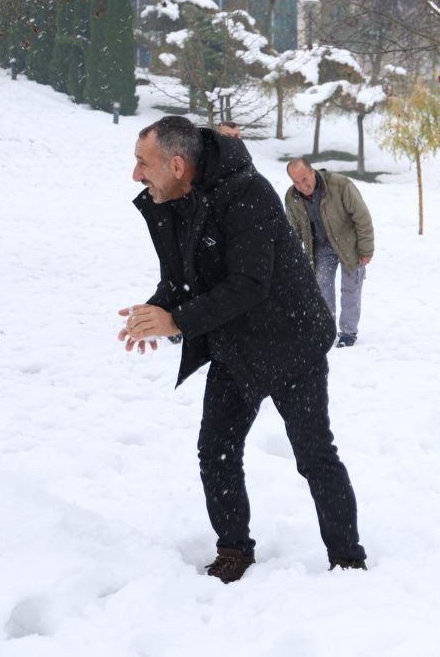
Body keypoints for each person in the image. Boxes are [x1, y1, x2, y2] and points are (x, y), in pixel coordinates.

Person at [119, 115, 367, 583]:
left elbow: (249, 283)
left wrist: (178, 321)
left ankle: (348, 559)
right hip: (235, 345)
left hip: (292, 343)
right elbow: (184, 274)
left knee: (313, 454)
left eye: (141, 163)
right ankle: (233, 548)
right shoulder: (175, 197)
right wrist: (156, 310)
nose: (136, 175)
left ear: (176, 164)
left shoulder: (247, 194)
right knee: (215, 449)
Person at [285, 159, 375, 348]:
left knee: (350, 289)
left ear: (312, 172)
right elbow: (293, 230)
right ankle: (327, 330)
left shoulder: (340, 185)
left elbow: (362, 217)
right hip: (322, 248)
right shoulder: (292, 197)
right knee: (322, 287)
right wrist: (290, 258)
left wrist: (366, 249)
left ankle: (348, 333)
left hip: (350, 245)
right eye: (296, 182)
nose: (302, 186)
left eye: (304, 179)